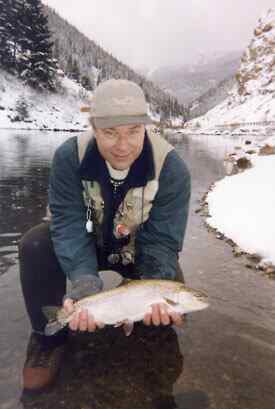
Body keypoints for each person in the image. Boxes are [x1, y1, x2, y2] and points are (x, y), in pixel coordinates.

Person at [19, 79, 191, 392]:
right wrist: (85, 284)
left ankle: (151, 340)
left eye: (132, 132)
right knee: (36, 244)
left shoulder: (172, 168)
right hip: (86, 243)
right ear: (93, 127)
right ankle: (48, 340)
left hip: (138, 249)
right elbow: (68, 225)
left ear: (145, 127)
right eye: (110, 132)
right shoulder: (69, 157)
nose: (122, 145)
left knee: (167, 289)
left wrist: (156, 282)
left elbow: (163, 241)